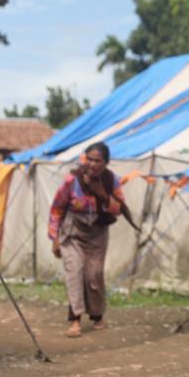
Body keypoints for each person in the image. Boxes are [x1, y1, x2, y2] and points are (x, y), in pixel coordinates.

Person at [49, 142, 128, 338]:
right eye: (89, 159)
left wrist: (101, 192)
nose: (92, 164)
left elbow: (118, 209)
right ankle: (75, 319)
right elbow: (57, 208)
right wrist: (55, 238)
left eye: (97, 161)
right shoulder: (72, 180)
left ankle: (96, 314)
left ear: (106, 163)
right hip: (72, 233)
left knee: (94, 274)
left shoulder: (111, 181)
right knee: (75, 272)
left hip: (97, 233)